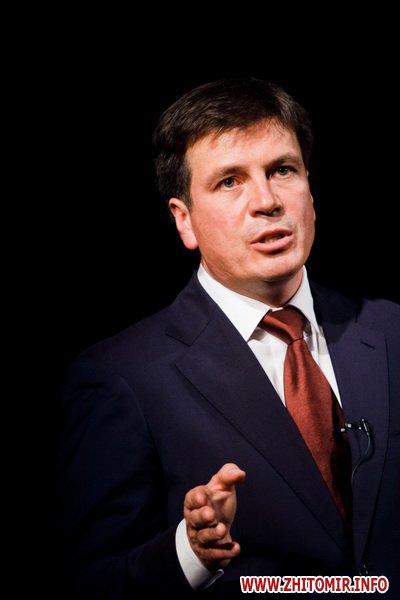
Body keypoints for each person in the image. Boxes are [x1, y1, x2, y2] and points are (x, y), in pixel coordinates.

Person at [58, 78, 400, 598]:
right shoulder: (120, 379)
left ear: (310, 190)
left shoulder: (392, 332)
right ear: (184, 221)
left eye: (282, 170)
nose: (266, 201)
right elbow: (89, 582)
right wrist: (190, 552)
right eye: (229, 181)